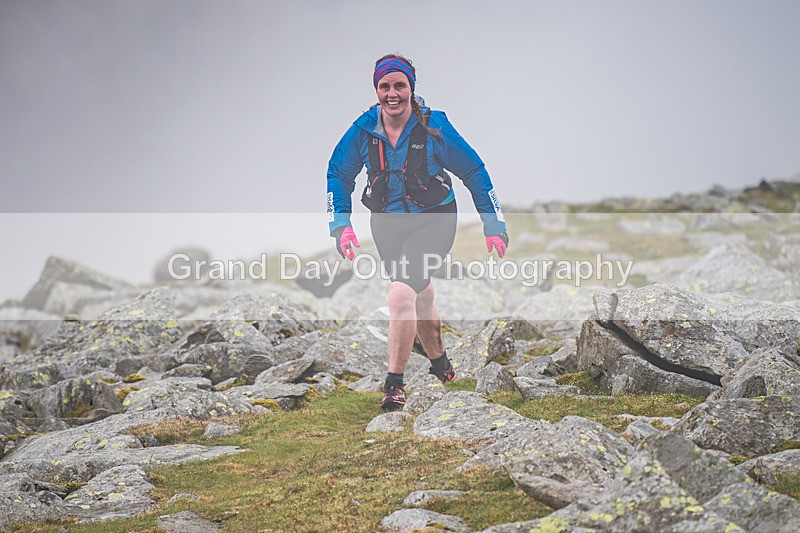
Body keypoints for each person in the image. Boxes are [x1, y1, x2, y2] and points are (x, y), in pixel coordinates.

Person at [326, 54, 509, 411]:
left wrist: (493, 224)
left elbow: (474, 171)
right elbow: (338, 175)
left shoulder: (434, 127)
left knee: (398, 297)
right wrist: (341, 225)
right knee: (419, 295)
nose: (392, 94)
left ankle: (394, 386)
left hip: (434, 220)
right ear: (376, 90)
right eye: (385, 86)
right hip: (388, 225)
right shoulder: (363, 130)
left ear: (411, 89)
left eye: (399, 86)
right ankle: (441, 366)